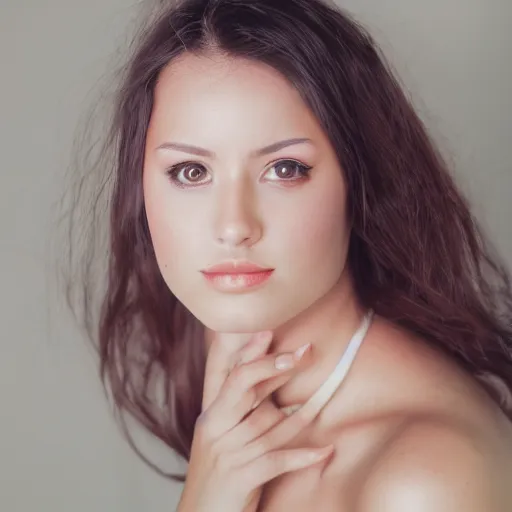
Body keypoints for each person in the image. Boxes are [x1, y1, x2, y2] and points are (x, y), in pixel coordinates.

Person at [62, 0, 512, 510]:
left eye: (285, 169)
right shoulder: (229, 384)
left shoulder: (425, 482)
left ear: (359, 181)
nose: (234, 227)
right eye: (191, 171)